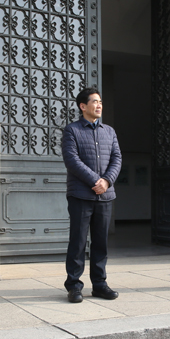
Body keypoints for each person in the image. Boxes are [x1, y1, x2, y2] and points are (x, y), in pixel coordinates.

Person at [61, 87, 122, 303]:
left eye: (101, 102)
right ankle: (74, 286)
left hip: (105, 196)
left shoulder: (109, 131)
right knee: (78, 242)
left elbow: (117, 158)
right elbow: (72, 160)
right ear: (83, 106)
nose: (99, 105)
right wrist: (96, 181)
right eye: (94, 101)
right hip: (80, 195)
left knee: (100, 243)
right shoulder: (72, 130)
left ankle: (100, 284)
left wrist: (106, 181)